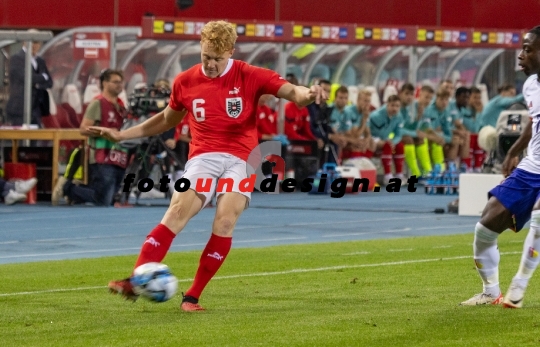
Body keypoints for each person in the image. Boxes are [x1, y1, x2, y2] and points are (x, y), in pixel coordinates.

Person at [90, 20, 327, 311]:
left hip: (241, 159)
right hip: (203, 156)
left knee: (225, 220)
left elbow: (293, 93)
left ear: (230, 51)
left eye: (217, 58)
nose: (211, 64)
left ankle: (192, 297)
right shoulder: (185, 81)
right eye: (205, 57)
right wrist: (122, 134)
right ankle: (136, 280)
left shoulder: (249, 75)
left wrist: (310, 93)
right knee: (176, 211)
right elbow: (167, 119)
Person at [460, 26, 540, 308]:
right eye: (522, 48)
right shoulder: (530, 85)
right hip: (532, 167)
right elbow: (534, 121)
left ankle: (519, 285)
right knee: (485, 226)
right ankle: (490, 292)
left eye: (528, 49)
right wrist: (514, 152)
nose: (521, 55)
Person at [52, 69, 128, 206]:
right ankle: (67, 188)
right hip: (101, 155)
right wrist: (105, 132)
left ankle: (76, 194)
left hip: (119, 155)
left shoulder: (121, 106)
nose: (119, 85)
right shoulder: (98, 103)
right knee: (103, 200)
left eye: (121, 82)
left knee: (110, 198)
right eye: (115, 82)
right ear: (104, 83)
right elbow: (84, 128)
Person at [6, 34, 53, 127]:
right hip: (20, 108)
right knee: (20, 138)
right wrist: (42, 77)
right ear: (25, 41)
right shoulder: (16, 59)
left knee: (35, 138)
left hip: (36, 108)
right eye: (33, 42)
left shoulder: (40, 61)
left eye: (37, 43)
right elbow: (28, 78)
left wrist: (38, 85)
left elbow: (49, 82)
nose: (35, 45)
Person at [369, 94, 405, 184]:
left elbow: (398, 134)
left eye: (397, 106)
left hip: (385, 140)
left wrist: (393, 142)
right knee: (388, 145)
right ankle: (387, 176)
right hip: (372, 139)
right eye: (392, 105)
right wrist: (377, 140)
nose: (395, 109)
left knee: (400, 146)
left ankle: (399, 174)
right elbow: (367, 131)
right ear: (387, 104)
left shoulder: (399, 117)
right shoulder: (375, 116)